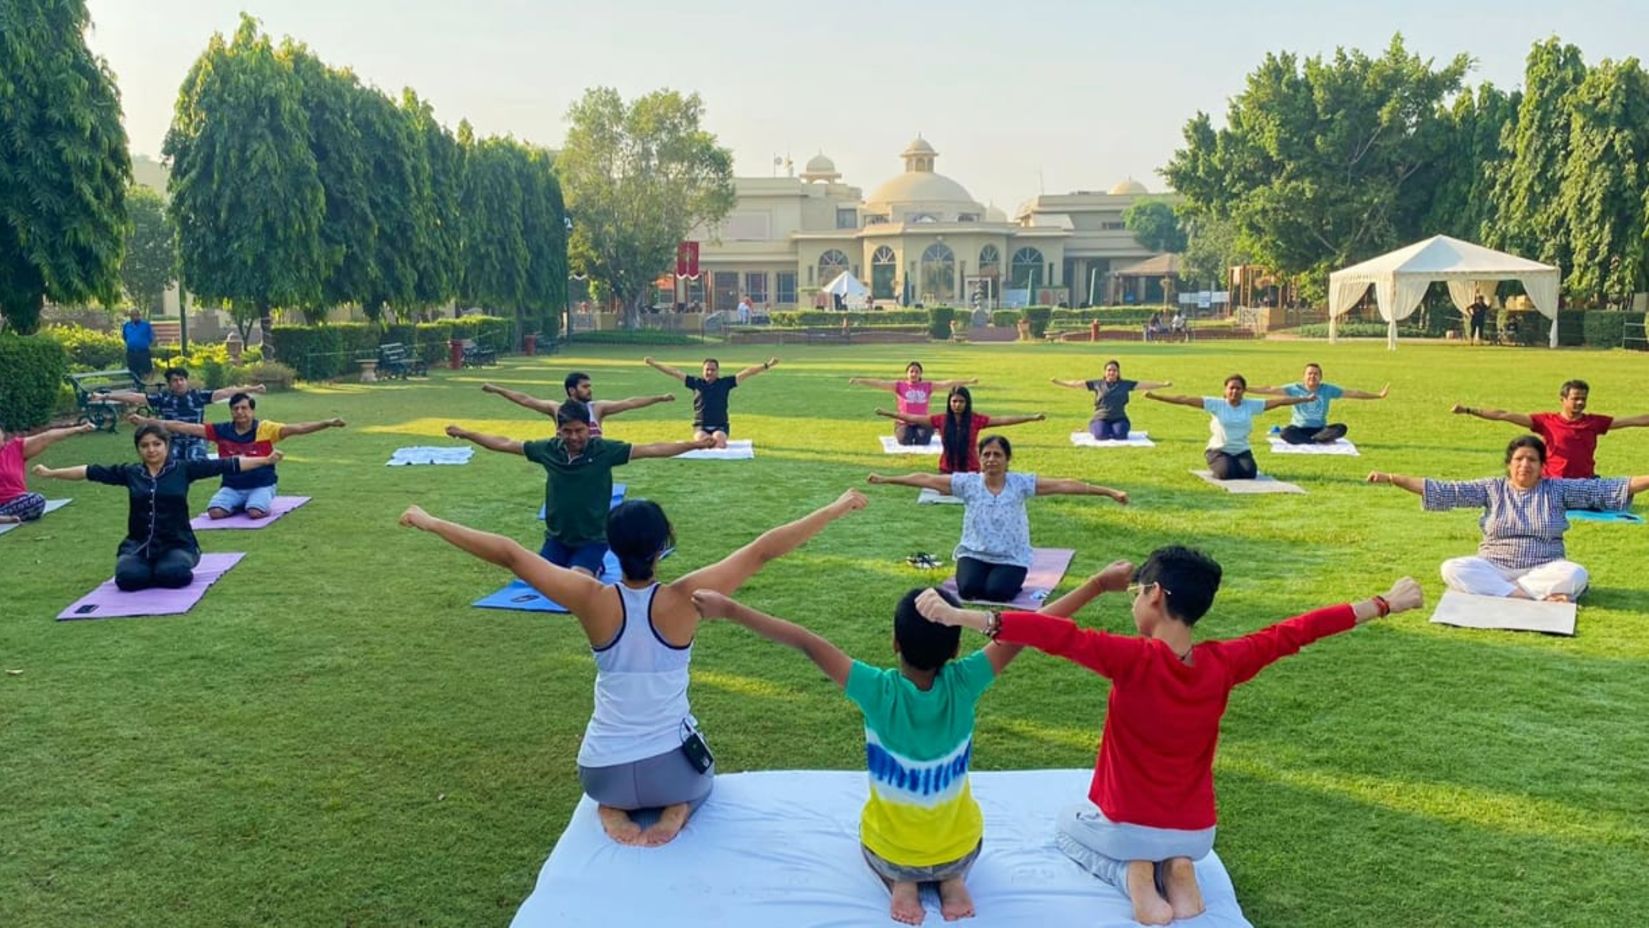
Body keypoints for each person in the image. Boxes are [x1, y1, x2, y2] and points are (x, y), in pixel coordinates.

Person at [914, 550, 1421, 926]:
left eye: (1138, 592)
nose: (1134, 600)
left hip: (1128, 829)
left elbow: (1054, 635)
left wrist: (963, 617)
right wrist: (1384, 603)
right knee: (1165, 845)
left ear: (1155, 595)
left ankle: (1134, 876)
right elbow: (1296, 630)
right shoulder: (1224, 662)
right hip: (1197, 836)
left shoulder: (1131, 658)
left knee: (1068, 825)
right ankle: (1178, 869)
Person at [397, 489, 868, 847]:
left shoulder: (590, 598)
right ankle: (676, 808)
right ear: (662, 547)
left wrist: (430, 520)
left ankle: (612, 810)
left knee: (616, 784)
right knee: (697, 779)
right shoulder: (688, 597)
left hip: (603, 772)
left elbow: (509, 553)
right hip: (676, 775)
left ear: (612, 547)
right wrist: (837, 506)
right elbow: (764, 549)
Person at [688, 569, 1125, 925]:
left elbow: (804, 640)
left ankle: (904, 882)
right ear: (956, 646)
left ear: (896, 643)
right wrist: (1097, 585)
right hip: (960, 847)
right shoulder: (965, 681)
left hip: (890, 851)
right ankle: (952, 878)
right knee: (950, 852)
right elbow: (1033, 629)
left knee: (892, 851)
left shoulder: (876, 690)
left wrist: (730, 609)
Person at [445, 403, 714, 577]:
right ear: (558, 430)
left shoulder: (604, 450)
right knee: (537, 579)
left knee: (576, 581)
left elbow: (653, 449)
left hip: (592, 539)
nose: (574, 437)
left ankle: (593, 565)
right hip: (557, 538)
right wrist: (467, 433)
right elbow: (504, 443)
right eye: (567, 431)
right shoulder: (548, 450)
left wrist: (695, 445)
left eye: (579, 430)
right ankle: (565, 561)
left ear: (589, 428)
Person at [1367, 436, 1649, 601]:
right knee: (1452, 567)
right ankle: (1526, 596)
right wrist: (1392, 478)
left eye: (1532, 460)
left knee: (1576, 573)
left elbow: (1605, 489)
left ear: (1541, 467)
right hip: (1494, 566)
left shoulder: (1558, 489)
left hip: (1544, 567)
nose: (1525, 465)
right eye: (1519, 459)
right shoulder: (1492, 488)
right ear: (1509, 464)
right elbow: (1446, 490)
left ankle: (1510, 593)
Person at [868, 435, 1128, 603]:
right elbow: (925, 479)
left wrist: (1108, 491)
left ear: (1007, 460)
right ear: (979, 459)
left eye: (997, 455)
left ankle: (1005, 576)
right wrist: (887, 479)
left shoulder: (1020, 483)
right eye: (986, 455)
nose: (991, 460)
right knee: (969, 590)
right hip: (975, 553)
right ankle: (982, 573)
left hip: (1011, 556)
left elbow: (1063, 484)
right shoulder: (967, 483)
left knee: (997, 593)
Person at [31, 425, 281, 590]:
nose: (151, 449)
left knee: (174, 576)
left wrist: (265, 460)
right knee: (128, 580)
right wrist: (52, 472)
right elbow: (88, 471)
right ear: (139, 449)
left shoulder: (183, 469)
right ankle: (144, 565)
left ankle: (168, 564)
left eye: (156, 444)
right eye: (145, 445)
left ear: (166, 445)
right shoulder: (131, 472)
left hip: (178, 543)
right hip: (138, 544)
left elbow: (229, 465)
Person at [129, 394, 345, 519]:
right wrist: (147, 423)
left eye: (244, 408)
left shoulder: (266, 429)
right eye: (235, 409)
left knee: (255, 513)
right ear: (231, 411)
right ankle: (238, 501)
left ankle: (257, 500)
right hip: (232, 486)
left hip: (261, 483)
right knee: (214, 513)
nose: (240, 412)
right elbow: (183, 427)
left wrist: (326, 423)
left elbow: (298, 428)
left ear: (252, 410)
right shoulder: (222, 430)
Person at [1451, 380, 1649, 479]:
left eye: (1583, 399)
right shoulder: (1546, 421)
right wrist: (1469, 410)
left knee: (1624, 492)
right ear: (1563, 399)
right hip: (1553, 482)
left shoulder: (1594, 422)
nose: (1580, 402)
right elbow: (1504, 415)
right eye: (1575, 399)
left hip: (1585, 482)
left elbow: (1633, 420)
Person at [1143, 376, 1315, 480]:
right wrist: (1155, 396)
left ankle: (1234, 462)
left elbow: (1280, 402)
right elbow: (1184, 399)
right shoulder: (1216, 404)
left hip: (1241, 450)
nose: (1235, 391)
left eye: (1238, 388)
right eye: (1231, 388)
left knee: (1249, 474)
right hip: (1218, 450)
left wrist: (1305, 399)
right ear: (1225, 390)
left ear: (1243, 391)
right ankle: (1218, 462)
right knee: (1226, 474)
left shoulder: (1250, 405)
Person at [105, 368, 267, 461]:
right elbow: (135, 397)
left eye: (182, 379)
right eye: (175, 380)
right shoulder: (164, 398)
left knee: (195, 460)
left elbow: (226, 392)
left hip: (195, 438)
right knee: (171, 462)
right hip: (173, 439)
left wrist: (251, 389)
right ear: (169, 384)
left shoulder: (197, 396)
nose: (179, 383)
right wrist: (106, 396)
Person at [877, 386, 1044, 474]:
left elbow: (1003, 420)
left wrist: (1031, 417)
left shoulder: (976, 419)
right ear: (950, 402)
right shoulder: (941, 419)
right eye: (954, 401)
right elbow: (912, 418)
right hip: (946, 469)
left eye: (961, 402)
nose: (957, 405)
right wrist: (888, 413)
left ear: (967, 403)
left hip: (970, 469)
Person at [480, 373, 675, 439]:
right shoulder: (557, 409)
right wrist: (497, 390)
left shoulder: (597, 408)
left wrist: (659, 398)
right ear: (572, 390)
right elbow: (525, 399)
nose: (590, 390)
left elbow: (630, 403)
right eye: (585, 387)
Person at [643, 356, 779, 448]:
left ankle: (718, 437)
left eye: (712, 370)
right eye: (707, 370)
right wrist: (653, 363)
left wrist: (768, 365)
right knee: (702, 444)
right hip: (700, 426)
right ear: (703, 371)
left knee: (719, 442)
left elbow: (747, 372)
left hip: (720, 426)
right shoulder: (696, 383)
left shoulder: (725, 383)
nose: (709, 372)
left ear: (717, 371)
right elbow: (673, 372)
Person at [1247, 363, 1388, 445]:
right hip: (1298, 428)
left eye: (1315, 374)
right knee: (1285, 432)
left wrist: (1378, 395)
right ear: (1304, 376)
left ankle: (1312, 440)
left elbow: (1353, 393)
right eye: (1309, 374)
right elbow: (1269, 389)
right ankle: (1312, 441)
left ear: (1320, 377)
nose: (1312, 377)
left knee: (1341, 428)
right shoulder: (1294, 388)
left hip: (1320, 429)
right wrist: (1246, 388)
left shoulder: (1327, 389)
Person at [849, 362, 979, 446]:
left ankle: (930, 430)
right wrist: (859, 380)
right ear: (907, 373)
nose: (914, 374)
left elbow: (947, 383)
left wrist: (969, 381)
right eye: (911, 371)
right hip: (903, 422)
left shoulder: (927, 386)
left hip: (922, 422)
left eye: (916, 371)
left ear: (920, 374)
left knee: (922, 441)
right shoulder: (899, 386)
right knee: (904, 441)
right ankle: (903, 431)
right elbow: (879, 383)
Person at [0, 422, 96, 524]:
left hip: (17, 503)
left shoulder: (14, 449)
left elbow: (46, 437)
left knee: (37, 500)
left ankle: (3, 517)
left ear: (3, 435)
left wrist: (78, 429)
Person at [1052, 360, 1171, 441]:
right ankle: (1095, 427)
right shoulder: (1097, 384)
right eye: (1109, 370)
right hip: (1100, 417)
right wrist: (1060, 382)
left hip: (1119, 417)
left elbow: (1144, 384)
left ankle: (1116, 428)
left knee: (1120, 436)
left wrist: (1163, 385)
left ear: (1118, 373)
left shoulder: (1125, 384)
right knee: (1101, 436)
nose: (1111, 372)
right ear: (1105, 373)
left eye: (1114, 370)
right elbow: (1077, 383)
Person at [121, 307, 155, 381]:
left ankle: (144, 385)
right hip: (131, 352)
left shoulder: (146, 325)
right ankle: (136, 385)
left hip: (143, 352)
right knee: (133, 371)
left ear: (139, 315)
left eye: (136, 315)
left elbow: (151, 338)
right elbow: (125, 337)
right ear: (130, 316)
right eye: (133, 315)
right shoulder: (126, 326)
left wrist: (142, 343)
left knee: (146, 370)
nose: (135, 317)